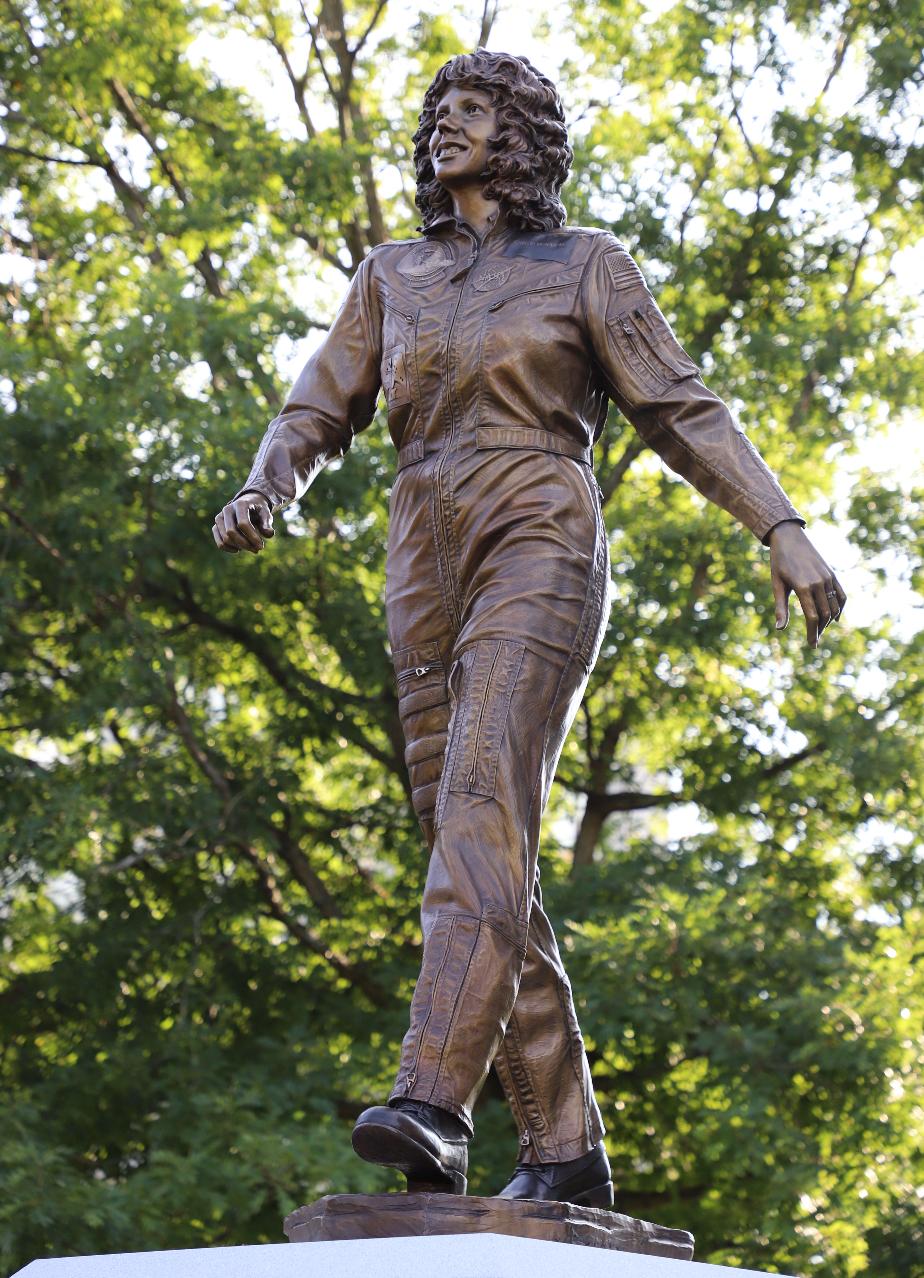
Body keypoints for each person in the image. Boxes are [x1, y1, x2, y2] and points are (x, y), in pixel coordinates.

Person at [212, 50, 846, 1206]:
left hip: (537, 534)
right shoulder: (391, 275)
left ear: (523, 136)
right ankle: (564, 1149)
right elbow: (316, 401)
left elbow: (678, 404)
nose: (445, 125)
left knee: (478, 809)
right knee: (471, 835)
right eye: (437, 111)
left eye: (473, 110)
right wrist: (271, 483)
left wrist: (780, 525)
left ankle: (433, 1101)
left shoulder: (585, 266)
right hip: (420, 556)